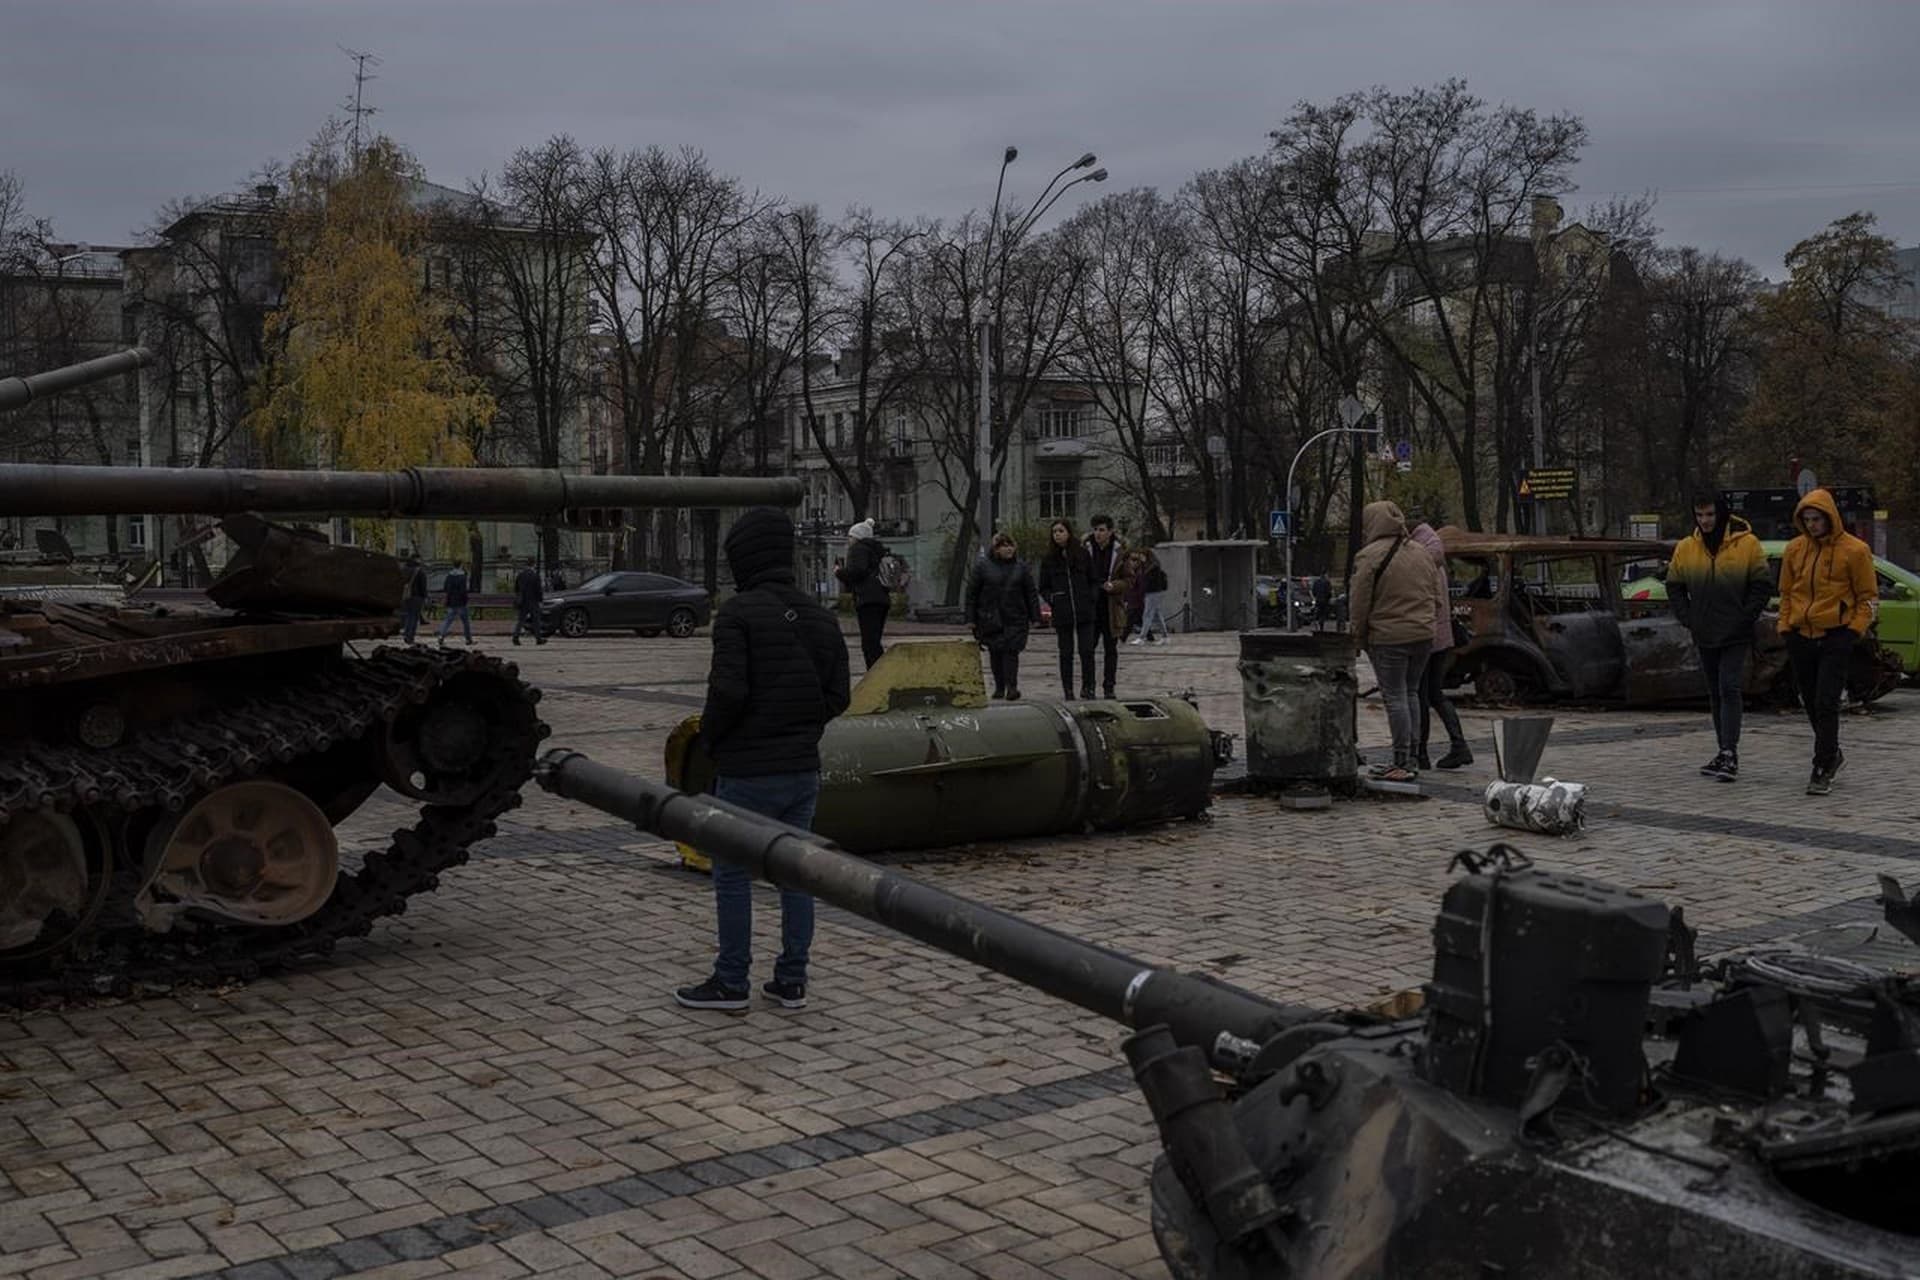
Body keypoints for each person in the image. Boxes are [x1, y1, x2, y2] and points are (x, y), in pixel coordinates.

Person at [675, 507, 851, 1011]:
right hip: (802, 770)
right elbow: (839, 693)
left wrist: (711, 739)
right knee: (796, 874)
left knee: (732, 874)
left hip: (747, 769)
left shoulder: (738, 613)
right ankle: (791, 979)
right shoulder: (821, 616)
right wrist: (804, 726)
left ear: (745, 558)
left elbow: (727, 690)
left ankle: (731, 981)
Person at [1777, 488, 1877, 796]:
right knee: (1810, 700)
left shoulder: (1855, 551)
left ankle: (1822, 765)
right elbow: (1787, 592)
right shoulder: (1795, 549)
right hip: (1801, 635)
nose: (1811, 525)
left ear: (1829, 518)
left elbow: (1868, 598)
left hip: (1836, 634)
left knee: (1826, 701)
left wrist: (1853, 631)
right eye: (1806, 520)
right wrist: (1786, 627)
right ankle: (1831, 752)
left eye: (1816, 519)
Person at [1666, 493, 1772, 782]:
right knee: (1715, 691)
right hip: (1705, 631)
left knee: (1729, 687)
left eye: (1710, 515)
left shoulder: (1747, 544)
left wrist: (1744, 617)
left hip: (1735, 631)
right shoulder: (1687, 547)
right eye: (1699, 516)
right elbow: (1674, 585)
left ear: (1721, 513)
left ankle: (1729, 751)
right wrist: (1688, 618)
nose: (1705, 521)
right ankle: (1722, 750)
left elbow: (1762, 586)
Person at [1349, 501, 1439, 782]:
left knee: (1395, 696)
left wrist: (1357, 637)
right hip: (1424, 635)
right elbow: (1435, 596)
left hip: (1389, 637)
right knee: (1411, 693)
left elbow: (1359, 603)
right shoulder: (1421, 553)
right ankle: (1412, 756)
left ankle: (1401, 760)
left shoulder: (1369, 556)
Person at [1408, 522, 1472, 770]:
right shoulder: (1438, 560)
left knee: (1421, 696)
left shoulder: (1422, 561)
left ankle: (1421, 754)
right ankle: (1459, 745)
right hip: (1443, 638)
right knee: (1435, 694)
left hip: (1426, 637)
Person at [966, 533, 1042, 700]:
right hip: (990, 618)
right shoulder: (983, 567)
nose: (1008, 549)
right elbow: (972, 593)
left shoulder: (1021, 567)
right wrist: (971, 619)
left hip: (1015, 618)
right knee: (995, 652)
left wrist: (1035, 617)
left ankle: (1011, 687)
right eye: (1003, 545)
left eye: (1010, 545)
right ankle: (1000, 687)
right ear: (996, 549)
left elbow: (1030, 593)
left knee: (1011, 652)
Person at [1038, 520, 1099, 699]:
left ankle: (1089, 687)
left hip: (1084, 611)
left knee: (1087, 651)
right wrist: (1053, 599)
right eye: (1054, 531)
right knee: (1066, 653)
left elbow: (1093, 579)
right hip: (1062, 612)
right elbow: (1043, 586)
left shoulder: (1082, 554)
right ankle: (1068, 689)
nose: (1057, 534)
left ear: (1069, 533)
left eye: (1061, 531)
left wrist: (1091, 597)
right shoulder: (1049, 559)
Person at [1084, 515, 1132, 698]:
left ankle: (1109, 685)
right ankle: (1088, 686)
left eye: (1102, 530)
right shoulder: (1085, 549)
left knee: (1110, 649)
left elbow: (1129, 579)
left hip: (1111, 606)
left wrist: (1114, 586)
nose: (1098, 533)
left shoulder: (1120, 551)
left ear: (1110, 531)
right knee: (1087, 649)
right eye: (1095, 529)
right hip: (1091, 606)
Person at [836, 519, 892, 669]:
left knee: (869, 642)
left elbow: (857, 572)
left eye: (850, 536)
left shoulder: (858, 549)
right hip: (881, 598)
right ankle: (880, 671)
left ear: (857, 537)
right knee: (874, 639)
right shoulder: (875, 550)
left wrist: (840, 572)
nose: (848, 540)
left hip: (868, 599)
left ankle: (876, 674)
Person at [1131, 548, 1170, 645]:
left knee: (1147, 614)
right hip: (1151, 592)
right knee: (1157, 615)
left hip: (1153, 592)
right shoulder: (1146, 566)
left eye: (1142, 556)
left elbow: (1151, 581)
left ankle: (1142, 638)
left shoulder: (1153, 567)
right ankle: (1165, 637)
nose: (1141, 558)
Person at [436, 564, 473, 646]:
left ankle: (441, 635)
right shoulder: (463, 576)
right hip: (461, 602)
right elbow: (464, 591)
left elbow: (445, 588)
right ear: (460, 566)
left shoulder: (449, 576)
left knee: (448, 620)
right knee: (466, 622)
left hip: (451, 601)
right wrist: (465, 600)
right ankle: (468, 639)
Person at [511, 562, 546, 646]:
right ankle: (538, 638)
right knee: (536, 620)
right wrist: (540, 600)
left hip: (523, 601)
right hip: (533, 601)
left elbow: (516, 588)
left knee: (521, 620)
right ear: (533, 565)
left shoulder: (520, 575)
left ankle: (515, 637)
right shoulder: (535, 576)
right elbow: (538, 590)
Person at [400, 557, 429, 644]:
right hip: (417, 597)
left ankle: (406, 634)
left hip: (406, 596)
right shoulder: (420, 572)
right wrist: (425, 597)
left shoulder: (404, 571)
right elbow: (423, 587)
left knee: (408, 616)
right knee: (414, 617)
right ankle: (410, 636)